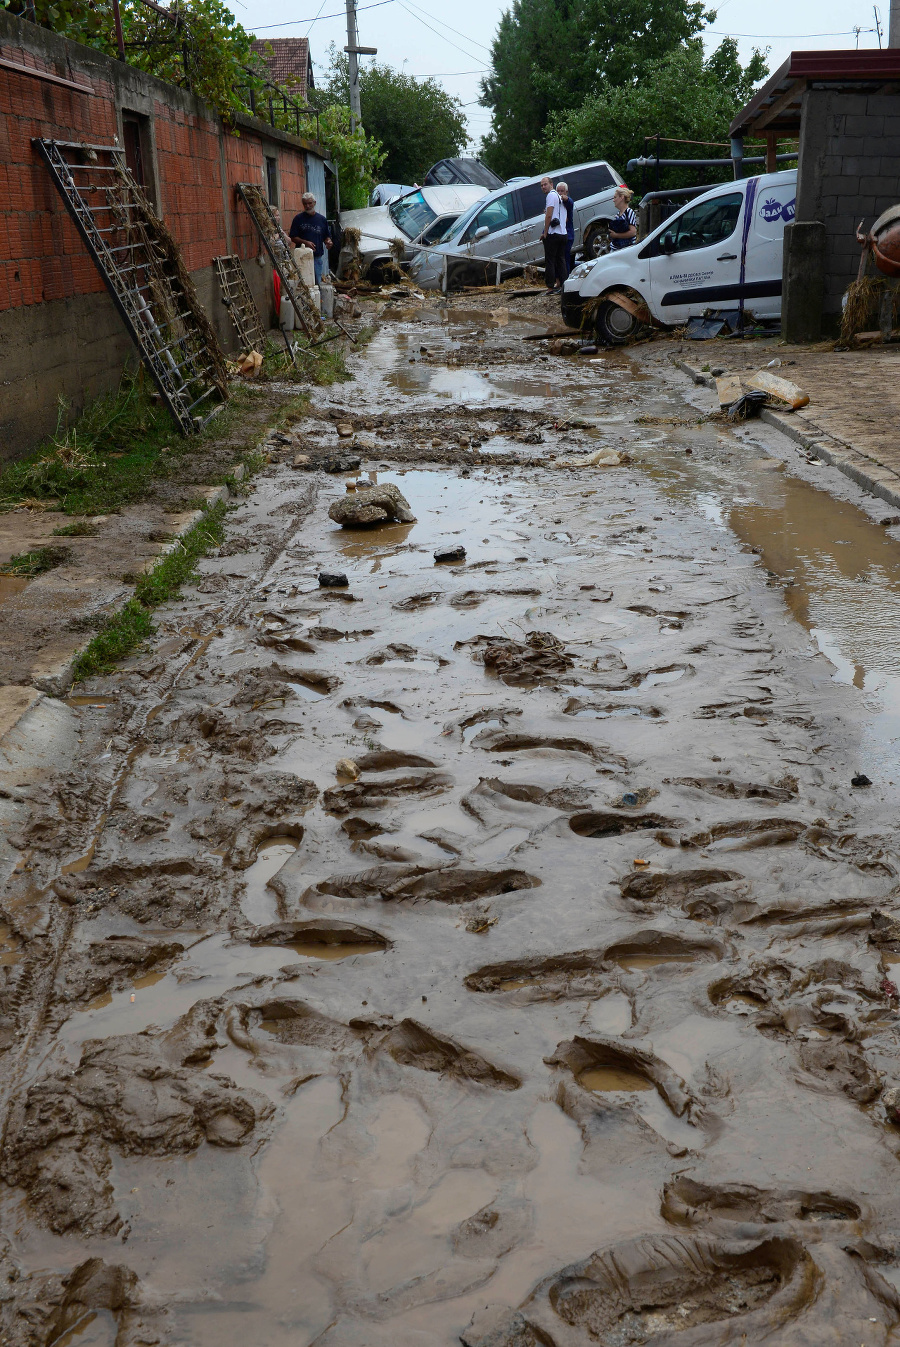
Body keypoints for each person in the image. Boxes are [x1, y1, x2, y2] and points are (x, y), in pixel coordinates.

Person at [289, 192, 332, 284]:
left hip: (316, 257)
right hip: (302, 257)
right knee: (303, 283)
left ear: (314, 203)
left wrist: (328, 242)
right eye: (305, 204)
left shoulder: (322, 220)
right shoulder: (298, 219)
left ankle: (317, 298)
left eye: (310, 203)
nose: (307, 206)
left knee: (316, 284)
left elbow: (326, 236)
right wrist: (305, 242)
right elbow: (293, 237)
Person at [540, 176, 567, 293]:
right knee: (561, 259)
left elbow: (549, 215)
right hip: (563, 232)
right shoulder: (559, 197)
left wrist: (545, 232)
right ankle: (564, 284)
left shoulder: (551, 195)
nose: (543, 187)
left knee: (550, 260)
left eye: (545, 184)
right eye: (541, 185)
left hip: (554, 233)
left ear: (551, 184)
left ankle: (550, 286)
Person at [609, 187, 638, 251]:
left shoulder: (629, 212)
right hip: (616, 249)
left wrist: (616, 235)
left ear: (621, 197)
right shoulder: (618, 214)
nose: (613, 200)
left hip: (625, 250)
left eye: (615, 197)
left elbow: (633, 232)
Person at [557, 180, 575, 278]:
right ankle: (560, 280)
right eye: (558, 191)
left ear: (566, 192)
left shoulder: (568, 202)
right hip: (559, 235)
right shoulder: (556, 204)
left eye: (562, 191)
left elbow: (569, 201)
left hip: (568, 235)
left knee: (564, 258)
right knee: (559, 258)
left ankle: (566, 279)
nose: (560, 193)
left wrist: (564, 198)